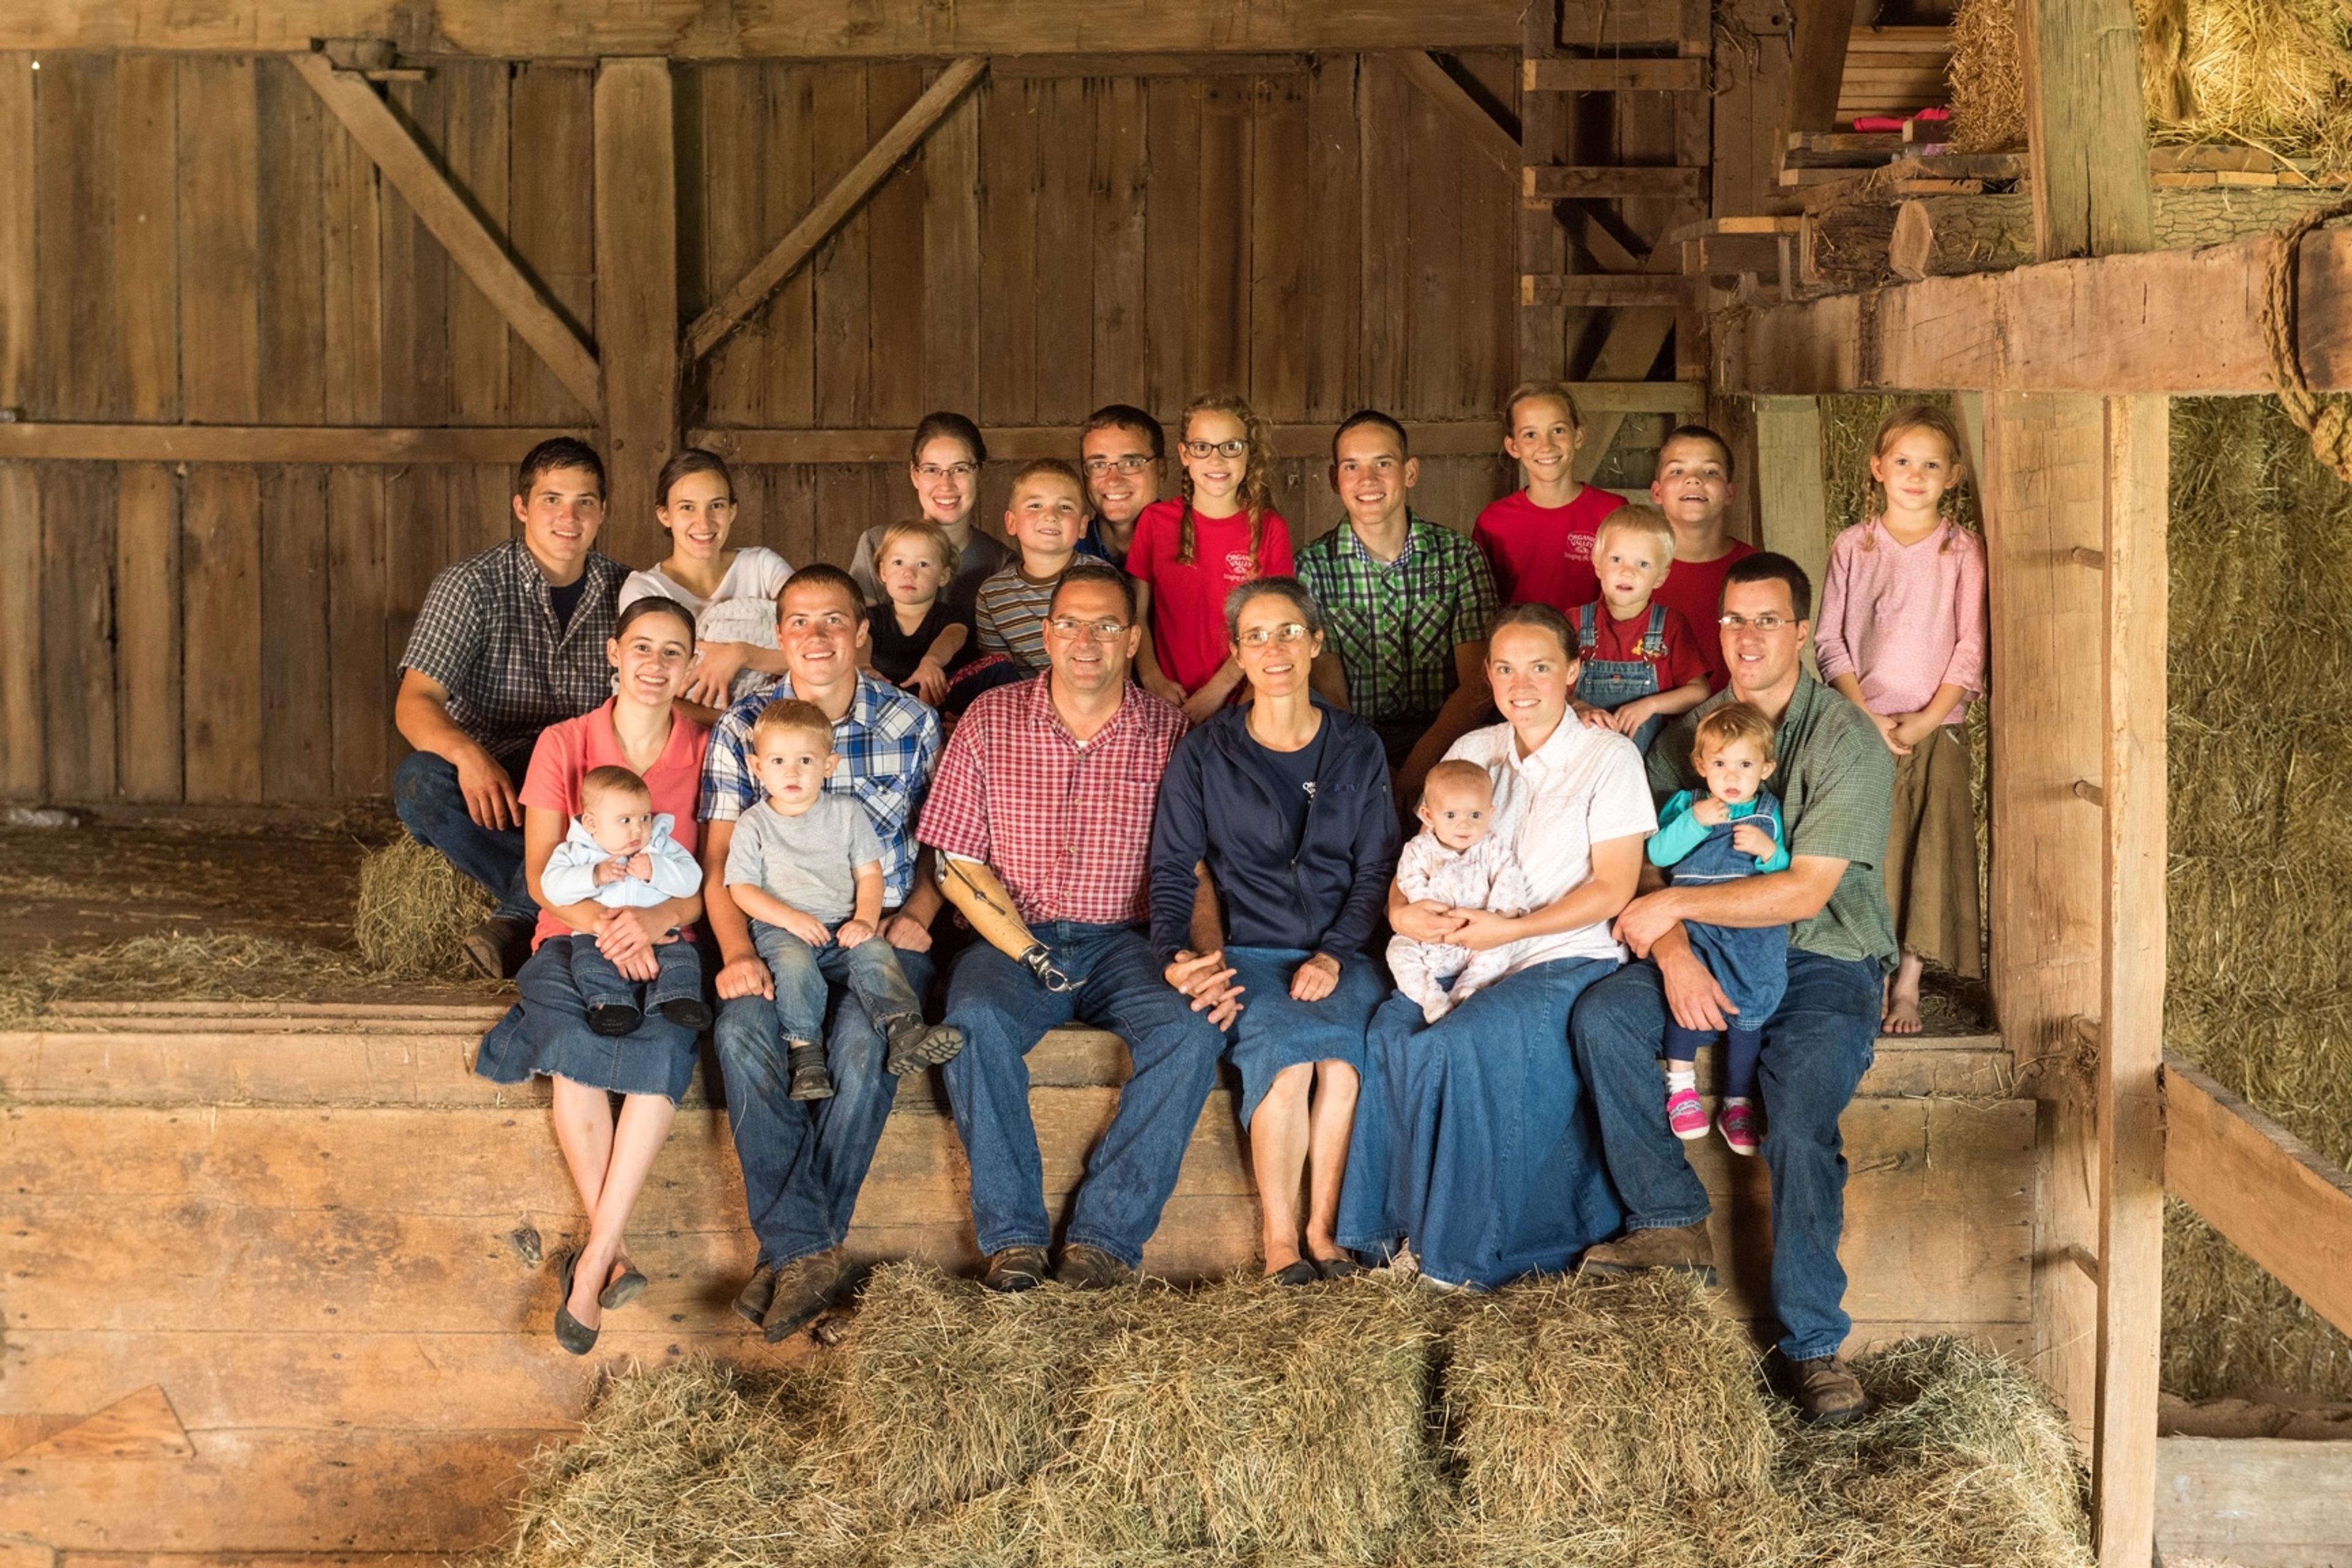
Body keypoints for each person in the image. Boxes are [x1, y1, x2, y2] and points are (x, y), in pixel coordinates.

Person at [1570, 552, 1897, 1427]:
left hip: (1822, 955)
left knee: (1796, 1123)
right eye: (1730, 621)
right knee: (1605, 1018)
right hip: (1707, 945)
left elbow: (1804, 892)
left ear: (1800, 633)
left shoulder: (1844, 741)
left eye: (1766, 621)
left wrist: (1672, 902)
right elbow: (1641, 864)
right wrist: (1674, 951)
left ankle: (1815, 1346)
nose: (1746, 638)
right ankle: (1669, 1216)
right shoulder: (1692, 736)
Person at [919, 560, 1223, 1292]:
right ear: (1047, 635)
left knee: (1193, 1028)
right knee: (973, 1023)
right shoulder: (991, 720)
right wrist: (1021, 943)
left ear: (1131, 639)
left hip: (1131, 941)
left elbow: (1197, 868)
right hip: (1011, 935)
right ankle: (1015, 1239)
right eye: (1071, 623)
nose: (1087, 638)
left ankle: (1105, 1241)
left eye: (1106, 624)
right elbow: (955, 860)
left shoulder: (1168, 730)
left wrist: (1204, 956)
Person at [1337, 603, 1654, 1291]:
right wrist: (1403, 916)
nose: (1522, 683)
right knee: (1391, 1029)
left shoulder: (1609, 757)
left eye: (1541, 667)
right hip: (1464, 949)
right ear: (1487, 674)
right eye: (1506, 667)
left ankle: (1456, 1258)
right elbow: (1414, 856)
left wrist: (1509, 931)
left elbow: (1613, 888)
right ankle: (1384, 1236)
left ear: (1574, 671)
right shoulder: (1472, 753)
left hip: (1563, 952)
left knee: (1460, 1042)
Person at [699, 565, 948, 1343]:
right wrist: (738, 953)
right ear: (779, 636)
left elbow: (947, 850)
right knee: (742, 1031)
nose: (816, 635)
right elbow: (721, 866)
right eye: (799, 621)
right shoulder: (743, 728)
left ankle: (791, 1255)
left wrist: (916, 914)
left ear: (862, 631)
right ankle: (810, 1252)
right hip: (775, 933)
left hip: (877, 934)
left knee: (862, 1043)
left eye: (834, 620)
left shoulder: (909, 723)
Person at [470, 595, 710, 1355]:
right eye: (642, 647)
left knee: (664, 1053)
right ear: (613, 652)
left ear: (691, 666)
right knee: (574, 1051)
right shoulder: (564, 742)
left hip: (666, 937)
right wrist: (609, 926)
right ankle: (610, 1255)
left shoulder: (705, 747)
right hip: (569, 935)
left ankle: (593, 1265)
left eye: (674, 651)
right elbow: (543, 880)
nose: (655, 665)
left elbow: (704, 885)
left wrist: (654, 924)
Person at [1148, 577, 1399, 1284]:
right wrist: (1175, 952)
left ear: (1316, 643)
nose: (1275, 648)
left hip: (1343, 952)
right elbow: (1173, 864)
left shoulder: (1358, 746)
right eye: (1256, 637)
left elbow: (1377, 868)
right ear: (1237, 654)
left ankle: (1327, 1234)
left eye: (1289, 631)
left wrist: (1334, 952)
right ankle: (1280, 1244)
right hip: (1252, 953)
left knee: (1344, 1067)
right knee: (1288, 1064)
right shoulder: (1206, 753)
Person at [393, 437, 626, 979]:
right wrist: (468, 757)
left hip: (583, 781)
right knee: (420, 782)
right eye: (552, 500)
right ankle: (559, 900)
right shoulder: (472, 585)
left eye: (584, 502)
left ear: (602, 512)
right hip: (498, 773)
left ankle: (523, 915)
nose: (568, 517)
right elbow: (415, 702)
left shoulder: (627, 590)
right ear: (521, 506)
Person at [1815, 403, 1987, 1035]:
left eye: (1932, 465)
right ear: (1878, 468)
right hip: (1861, 728)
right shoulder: (1853, 547)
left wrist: (1920, 723)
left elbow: (1970, 649)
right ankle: (1868, 975)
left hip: (1935, 728)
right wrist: (1865, 718)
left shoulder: (1961, 551)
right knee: (1870, 854)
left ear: (1954, 476)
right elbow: (1830, 640)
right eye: (1904, 462)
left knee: (1927, 851)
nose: (1916, 475)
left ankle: (1908, 986)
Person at [723, 698, 963, 1103]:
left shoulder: (847, 813)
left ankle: (904, 1028)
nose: (793, 772)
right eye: (778, 761)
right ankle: (806, 1054)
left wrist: (866, 921)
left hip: (842, 922)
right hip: (782, 929)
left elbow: (869, 874)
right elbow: (742, 889)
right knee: (795, 966)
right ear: (757, 768)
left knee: (874, 954)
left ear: (829, 766)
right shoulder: (753, 824)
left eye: (805, 760)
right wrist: (792, 919)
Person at [1297, 409, 1501, 807]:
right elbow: (1329, 693)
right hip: (1352, 742)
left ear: (1410, 472)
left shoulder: (1459, 557)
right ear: (1334, 479)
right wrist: (1376, 769)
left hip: (1450, 739)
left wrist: (1416, 771)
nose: (1367, 480)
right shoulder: (1312, 566)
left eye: (1383, 463)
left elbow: (1479, 683)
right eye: (1352, 466)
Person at [1645, 704, 1790, 1156]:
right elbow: (1659, 854)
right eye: (1720, 763)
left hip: (1750, 930)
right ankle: (1682, 1087)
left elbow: (1787, 870)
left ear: (1766, 768)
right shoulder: (1688, 805)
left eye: (1745, 765)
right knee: (1689, 999)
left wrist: (1769, 853)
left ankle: (1737, 1102)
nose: (1732, 775)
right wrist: (1694, 822)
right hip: (1695, 926)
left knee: (1751, 1008)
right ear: (1700, 765)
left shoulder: (1769, 813)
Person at [1127, 393, 1295, 722]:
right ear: (1184, 455)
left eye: (1230, 447)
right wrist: (1152, 679)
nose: (1216, 461)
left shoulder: (1269, 527)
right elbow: (1138, 613)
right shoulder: (1155, 521)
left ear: (1249, 453)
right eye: (1202, 447)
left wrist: (1219, 691)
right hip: (1166, 697)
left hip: (1244, 698)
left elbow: (1274, 627)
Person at [617, 448, 792, 723]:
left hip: (777, 739)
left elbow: (818, 647)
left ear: (732, 510)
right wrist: (736, 722)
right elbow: (642, 689)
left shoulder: (762, 566)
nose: (704, 522)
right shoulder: (646, 589)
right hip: (689, 735)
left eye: (717, 506)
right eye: (687, 507)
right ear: (664, 515)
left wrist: (742, 654)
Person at [539, 763, 707, 1036]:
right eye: (625, 820)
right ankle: (613, 1006)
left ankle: (678, 998)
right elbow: (552, 887)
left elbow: (692, 880)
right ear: (592, 823)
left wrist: (657, 870)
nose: (638, 830)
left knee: (682, 957)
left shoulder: (660, 846)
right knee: (587, 962)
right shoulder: (576, 853)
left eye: (645, 818)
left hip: (659, 932)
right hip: (598, 938)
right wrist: (593, 875)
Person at [1384, 759, 1536, 1023]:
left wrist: (1503, 915)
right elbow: (1409, 880)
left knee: (1500, 952)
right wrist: (1427, 913)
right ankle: (1431, 997)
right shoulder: (1419, 849)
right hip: (1429, 937)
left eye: (1475, 816)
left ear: (1490, 814)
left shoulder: (1492, 849)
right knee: (1398, 952)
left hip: (1476, 937)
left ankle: (1468, 987)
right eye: (1451, 816)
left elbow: (1508, 877)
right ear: (1429, 816)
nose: (1464, 825)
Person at [1473, 382, 1626, 612]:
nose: (1546, 446)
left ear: (1578, 436)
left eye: (1558, 430)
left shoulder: (1614, 512)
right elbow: (1481, 607)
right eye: (1531, 435)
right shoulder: (1493, 521)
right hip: (1519, 646)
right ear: (1513, 446)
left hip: (1594, 647)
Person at [1570, 505, 1712, 753]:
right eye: (1616, 559)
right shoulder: (1574, 622)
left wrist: (1650, 705)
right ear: (1597, 564)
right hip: (1583, 762)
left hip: (1649, 762)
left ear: (1661, 577)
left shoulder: (1671, 625)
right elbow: (1547, 686)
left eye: (1643, 564)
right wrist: (1577, 706)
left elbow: (1699, 691)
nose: (1627, 572)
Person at [847, 412, 1012, 611]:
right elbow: (858, 634)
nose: (946, 485)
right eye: (931, 470)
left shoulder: (1002, 564)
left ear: (979, 473)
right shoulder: (876, 544)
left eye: (960, 469)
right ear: (914, 474)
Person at [1648, 426, 1755, 693]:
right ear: (1657, 492)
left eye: (1710, 472)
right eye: (1677, 471)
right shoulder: (1634, 570)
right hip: (1648, 723)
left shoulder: (1757, 570)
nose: (1694, 480)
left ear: (1730, 493)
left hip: (1738, 725)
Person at [974, 459, 1090, 675]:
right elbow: (999, 676)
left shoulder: (1103, 580)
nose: (1051, 516)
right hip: (1024, 704)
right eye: (1035, 506)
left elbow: (1117, 659)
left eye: (1065, 507)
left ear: (1082, 526)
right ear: (1011, 522)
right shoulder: (993, 595)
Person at [1076, 404, 1163, 573]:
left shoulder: (1193, 545)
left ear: (1162, 470)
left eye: (1131, 463)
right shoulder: (1063, 551)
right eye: (1099, 465)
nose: (1114, 480)